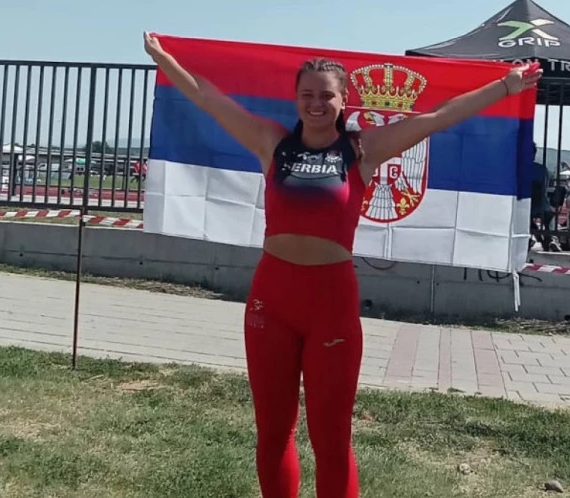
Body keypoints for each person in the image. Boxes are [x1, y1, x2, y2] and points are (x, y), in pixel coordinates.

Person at [143, 31, 542, 498]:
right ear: (295, 99)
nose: (316, 104)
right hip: (271, 301)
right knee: (273, 431)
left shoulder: (361, 150)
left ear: (343, 100)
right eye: (307, 95)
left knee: (331, 438)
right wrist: (164, 59)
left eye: (326, 95)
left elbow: (437, 117)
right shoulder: (272, 143)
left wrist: (505, 86)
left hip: (330, 306)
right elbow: (208, 99)